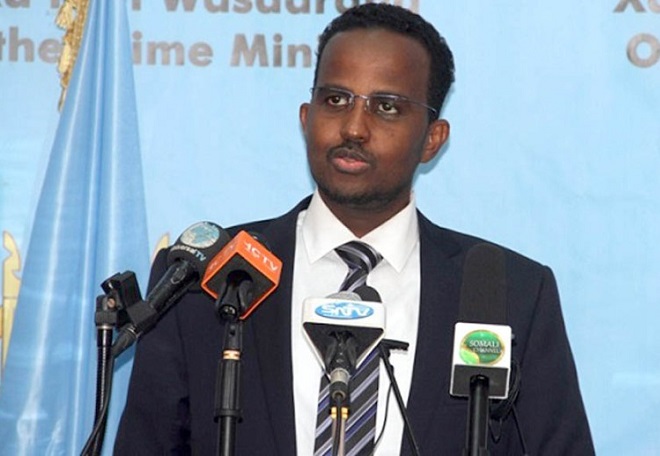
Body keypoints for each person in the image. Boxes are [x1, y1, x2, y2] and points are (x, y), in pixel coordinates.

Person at [114, 4, 594, 455]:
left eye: (387, 107)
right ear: (307, 118)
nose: (354, 128)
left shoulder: (512, 294)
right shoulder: (206, 277)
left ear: (433, 138)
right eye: (336, 99)